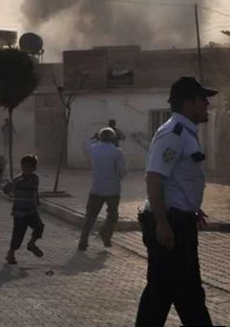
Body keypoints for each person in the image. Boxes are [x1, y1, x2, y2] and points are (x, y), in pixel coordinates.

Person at [135, 76, 215, 326]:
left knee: (163, 292)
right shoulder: (173, 133)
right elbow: (154, 179)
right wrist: (162, 223)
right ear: (189, 102)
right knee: (186, 292)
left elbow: (177, 180)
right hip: (171, 226)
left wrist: (192, 206)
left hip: (178, 220)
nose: (207, 105)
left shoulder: (186, 132)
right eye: (203, 100)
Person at [79, 127, 126, 251]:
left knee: (90, 216)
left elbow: (89, 142)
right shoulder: (117, 152)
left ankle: (83, 241)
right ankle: (106, 236)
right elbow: (122, 172)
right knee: (112, 215)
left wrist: (94, 136)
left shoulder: (93, 149)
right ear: (113, 138)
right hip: (113, 189)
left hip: (96, 188)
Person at [2, 154, 44, 265]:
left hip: (32, 210)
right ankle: (11, 254)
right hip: (20, 212)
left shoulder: (35, 179)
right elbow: (5, 189)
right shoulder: (17, 180)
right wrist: (11, 192)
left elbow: (35, 191)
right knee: (18, 234)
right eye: (24, 167)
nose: (27, 170)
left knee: (39, 227)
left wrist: (37, 202)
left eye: (29, 167)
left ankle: (31, 244)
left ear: (34, 168)